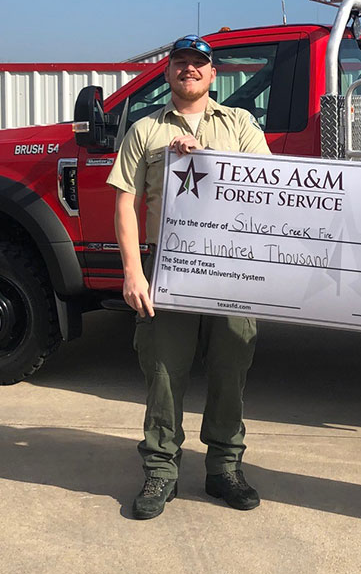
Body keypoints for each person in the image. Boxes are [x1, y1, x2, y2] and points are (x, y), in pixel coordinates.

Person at [107, 34, 272, 520]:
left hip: (231, 269)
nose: (190, 70)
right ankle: (161, 470)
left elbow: (265, 188)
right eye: (181, 63)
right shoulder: (144, 130)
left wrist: (206, 159)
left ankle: (224, 469)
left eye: (199, 64)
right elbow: (124, 201)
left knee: (230, 369)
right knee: (163, 371)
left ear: (213, 75)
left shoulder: (240, 124)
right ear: (168, 72)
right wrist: (133, 272)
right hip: (168, 267)